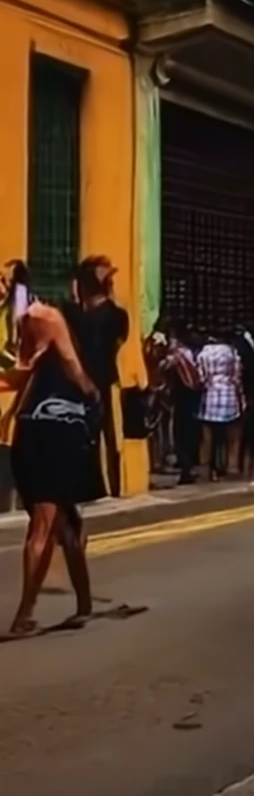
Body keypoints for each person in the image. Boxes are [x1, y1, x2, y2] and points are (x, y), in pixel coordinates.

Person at [0, 264, 103, 636]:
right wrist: (93, 397)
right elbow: (75, 370)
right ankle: (36, 612)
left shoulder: (32, 325)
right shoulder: (50, 321)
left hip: (33, 428)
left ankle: (75, 604)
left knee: (57, 519)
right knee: (53, 521)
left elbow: (24, 372)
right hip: (58, 429)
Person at [63, 256, 129, 498]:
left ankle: (90, 487)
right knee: (109, 437)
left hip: (78, 382)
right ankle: (113, 487)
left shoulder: (73, 316)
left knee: (84, 436)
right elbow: (122, 336)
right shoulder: (117, 315)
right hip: (106, 382)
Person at [196, 329, 243, 481]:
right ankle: (232, 466)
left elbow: (201, 377)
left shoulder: (203, 353)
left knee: (207, 436)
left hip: (209, 396)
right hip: (228, 396)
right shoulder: (232, 353)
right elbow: (237, 377)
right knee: (233, 434)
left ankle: (206, 469)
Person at [164, 322, 202, 484]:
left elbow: (163, 368)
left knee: (181, 433)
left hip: (183, 397)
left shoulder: (177, 355)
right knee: (191, 432)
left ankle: (187, 467)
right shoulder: (193, 354)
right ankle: (190, 465)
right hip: (195, 396)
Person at [234, 324, 254, 478]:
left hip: (249, 394)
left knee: (249, 432)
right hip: (248, 394)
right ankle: (246, 466)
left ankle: (245, 465)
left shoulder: (244, 347)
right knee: (249, 431)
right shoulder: (243, 348)